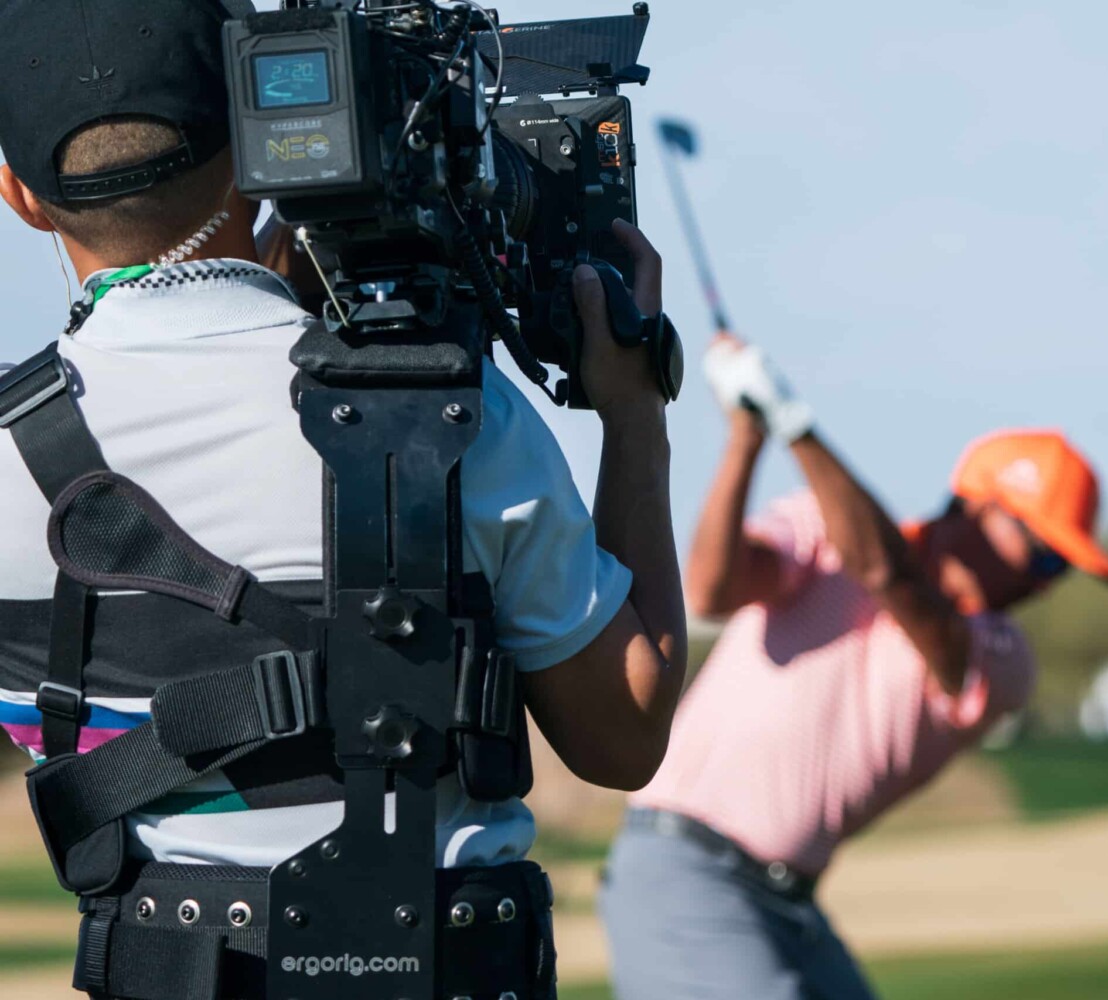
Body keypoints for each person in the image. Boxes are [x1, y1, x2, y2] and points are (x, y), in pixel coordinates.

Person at [0, 1, 685, 997]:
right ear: (260, 140)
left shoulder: (13, 453)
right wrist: (635, 414)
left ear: (18, 193)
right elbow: (624, 734)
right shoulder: (454, 414)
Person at [600, 332, 1108, 999]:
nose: (1045, 583)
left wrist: (793, 420)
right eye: (1046, 554)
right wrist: (747, 437)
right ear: (980, 506)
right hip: (684, 871)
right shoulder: (824, 531)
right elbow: (710, 587)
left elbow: (888, 572)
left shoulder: (1003, 656)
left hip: (786, 900)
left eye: (1063, 569)